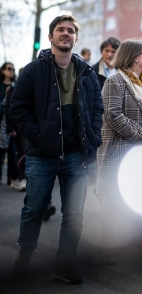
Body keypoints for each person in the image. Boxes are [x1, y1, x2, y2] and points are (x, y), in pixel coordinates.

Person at [11, 15, 103, 283]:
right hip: (42, 154)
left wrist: (94, 136)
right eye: (60, 30)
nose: (66, 33)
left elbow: (97, 108)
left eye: (71, 30)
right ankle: (25, 254)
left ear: (76, 38)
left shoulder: (86, 73)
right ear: (50, 37)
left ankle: (64, 266)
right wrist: (36, 136)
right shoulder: (32, 70)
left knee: (74, 214)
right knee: (34, 209)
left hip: (77, 155)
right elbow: (17, 107)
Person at [96, 39, 142, 265]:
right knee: (115, 204)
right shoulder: (115, 81)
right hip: (121, 153)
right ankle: (108, 248)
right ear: (133, 56)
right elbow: (114, 117)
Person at [0, 62, 16, 185]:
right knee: (1, 150)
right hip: (1, 122)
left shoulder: (15, 85)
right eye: (9, 69)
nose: (11, 71)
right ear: (3, 71)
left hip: (12, 122)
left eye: (13, 69)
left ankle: (11, 177)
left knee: (12, 150)